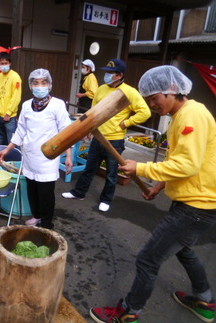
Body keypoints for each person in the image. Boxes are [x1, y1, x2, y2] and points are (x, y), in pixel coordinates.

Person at [90, 65, 216, 323]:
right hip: (194, 202)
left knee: (148, 259)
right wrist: (159, 186)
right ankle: (205, 300)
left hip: (197, 207)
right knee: (184, 250)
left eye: (154, 98)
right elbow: (181, 161)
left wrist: (141, 167)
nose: (151, 104)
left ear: (172, 90)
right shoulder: (182, 115)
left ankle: (128, 313)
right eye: (147, 99)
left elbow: (188, 165)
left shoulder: (192, 116)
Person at [62, 58, 151, 212]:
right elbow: (93, 112)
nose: (107, 75)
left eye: (111, 73)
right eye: (107, 72)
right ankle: (78, 192)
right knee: (89, 168)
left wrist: (126, 123)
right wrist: (89, 129)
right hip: (98, 137)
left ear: (120, 75)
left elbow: (145, 112)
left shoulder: (129, 92)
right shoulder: (102, 89)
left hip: (115, 140)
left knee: (111, 173)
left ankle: (106, 200)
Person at [0, 68, 73, 230]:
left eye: (43, 83)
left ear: (50, 85)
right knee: (31, 188)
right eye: (36, 83)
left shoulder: (57, 105)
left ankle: (46, 224)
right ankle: (37, 216)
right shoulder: (26, 105)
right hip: (29, 155)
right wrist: (8, 149)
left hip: (48, 157)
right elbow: (21, 130)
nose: (40, 86)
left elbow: (66, 132)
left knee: (45, 192)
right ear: (31, 86)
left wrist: (69, 156)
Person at [0, 51, 22, 145]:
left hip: (10, 116)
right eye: (2, 63)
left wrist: (9, 113)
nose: (4, 65)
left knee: (12, 142)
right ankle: (2, 159)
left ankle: (15, 160)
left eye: (6, 63)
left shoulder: (15, 77)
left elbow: (16, 97)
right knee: (1, 141)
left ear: (10, 63)